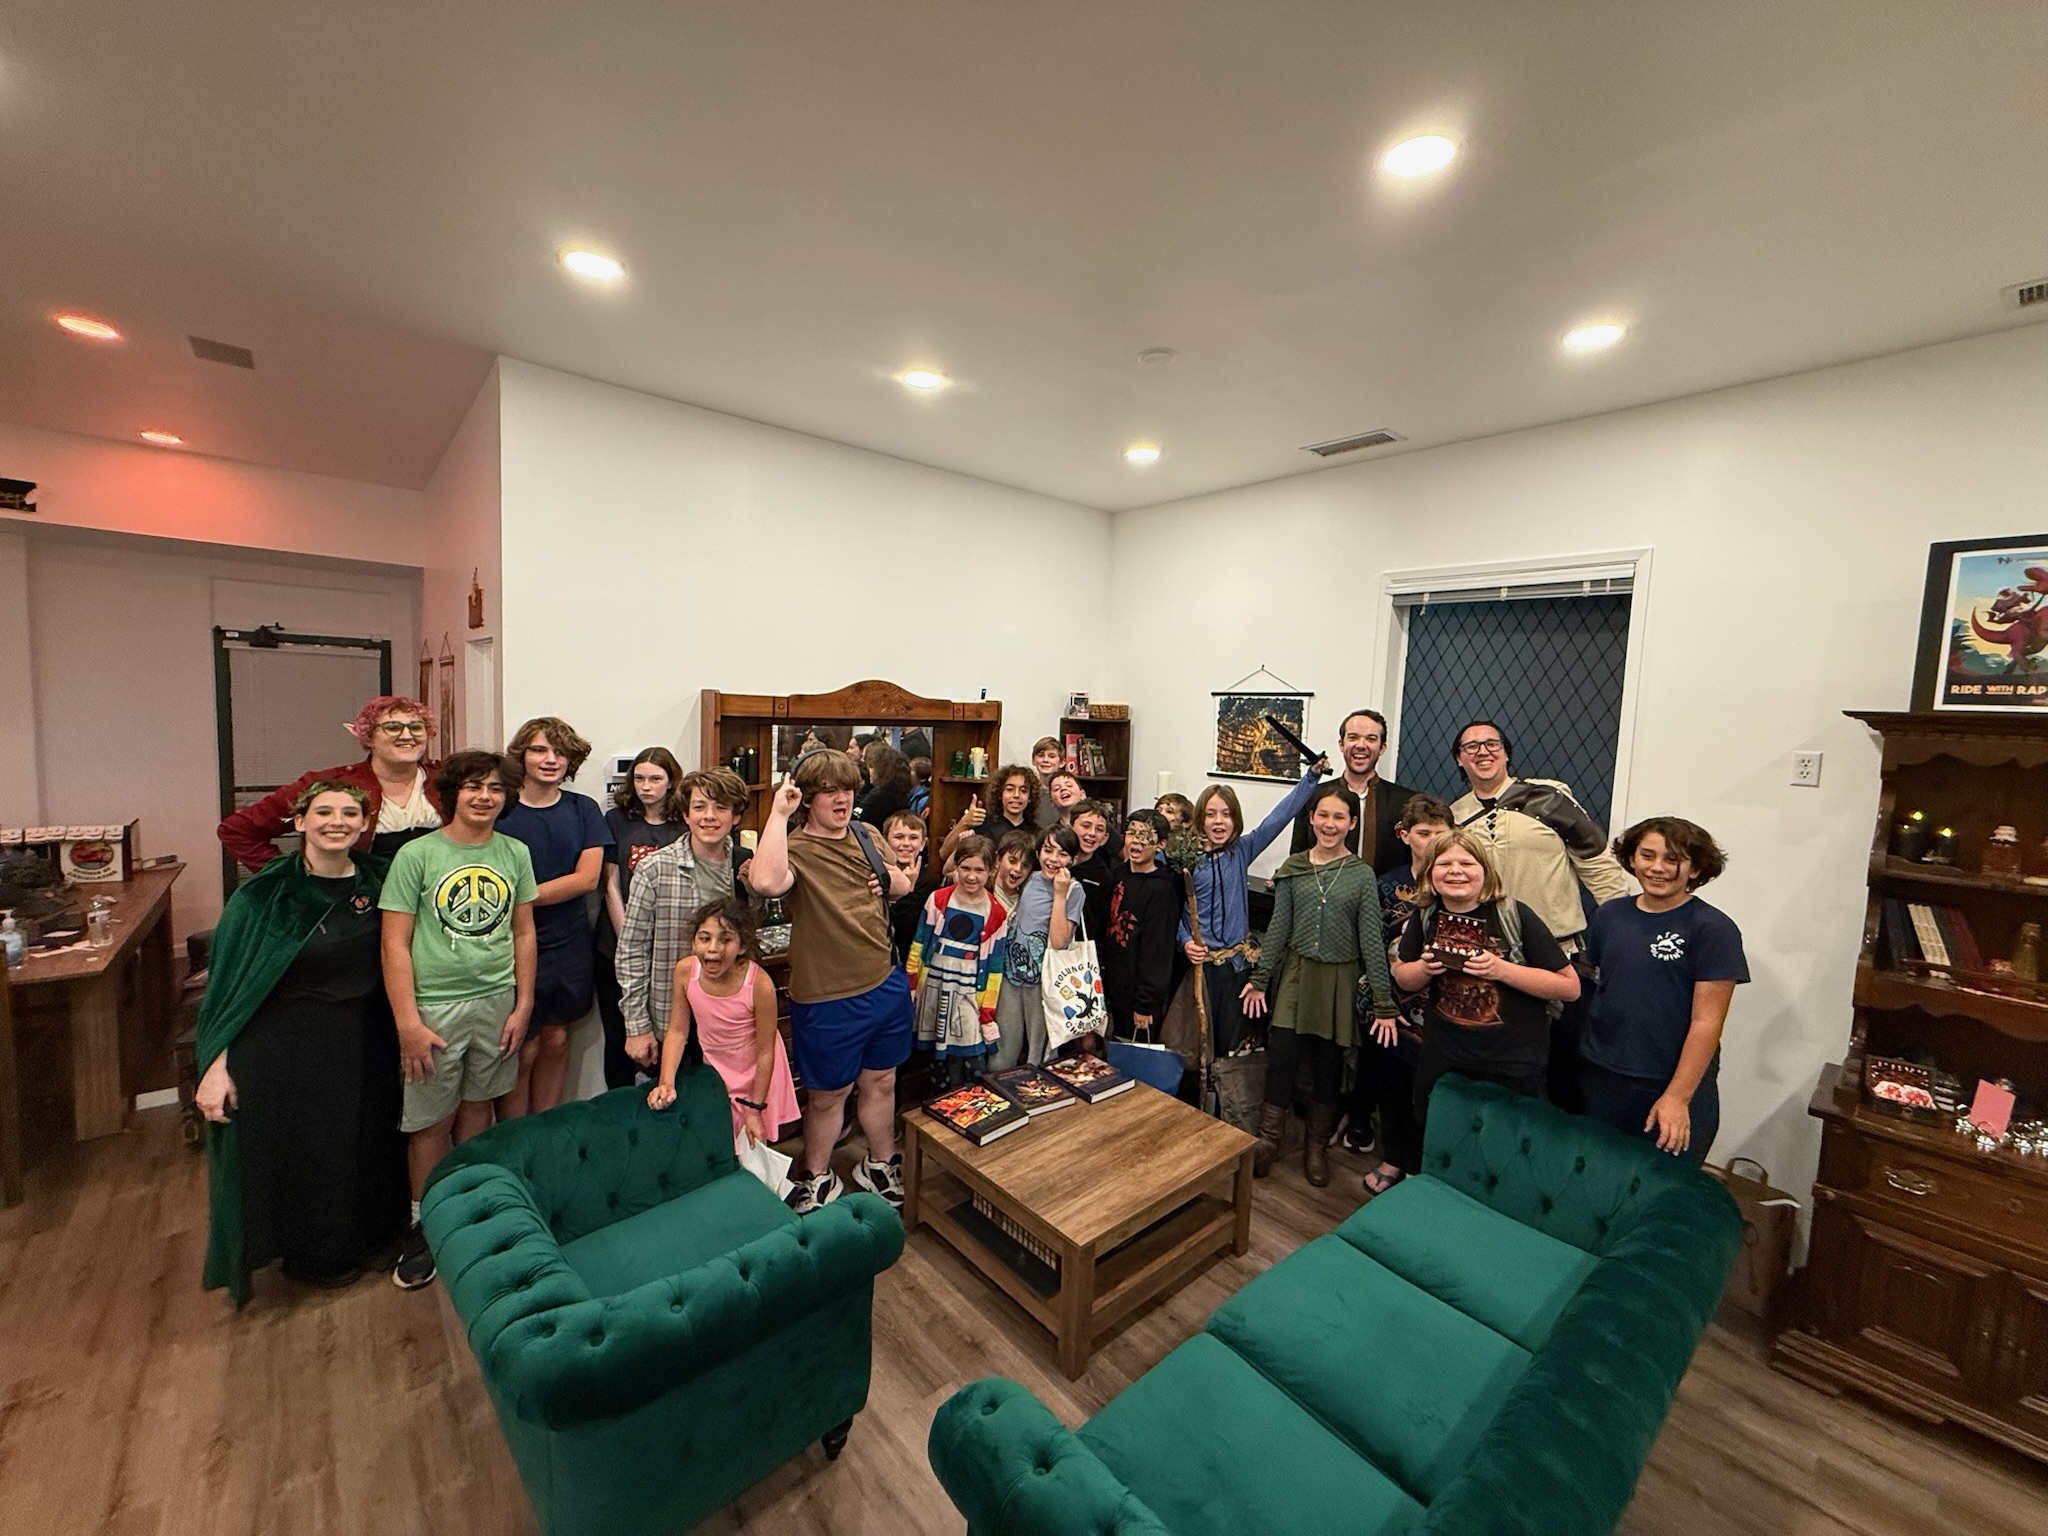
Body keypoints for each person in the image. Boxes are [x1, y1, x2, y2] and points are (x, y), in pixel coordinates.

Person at [196, 782, 409, 1306]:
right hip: (287, 1049)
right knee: (311, 1149)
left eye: (350, 813)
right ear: (299, 823)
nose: (337, 821)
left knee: (368, 1139)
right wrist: (216, 1066)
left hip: (368, 1039)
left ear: (365, 825)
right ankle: (313, 1252)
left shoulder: (384, 882)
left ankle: (370, 1238)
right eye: (324, 812)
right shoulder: (265, 897)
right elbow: (229, 989)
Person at [380, 750, 538, 1291]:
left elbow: (523, 932)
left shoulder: (515, 852)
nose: (484, 796)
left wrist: (523, 1003)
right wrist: (408, 1022)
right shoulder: (418, 855)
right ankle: (426, 1224)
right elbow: (394, 944)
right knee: (430, 1122)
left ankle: (468, 1208)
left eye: (494, 788)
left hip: (497, 1001)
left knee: (479, 1107)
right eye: (473, 786)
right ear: (452, 794)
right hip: (433, 1007)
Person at [746, 750, 916, 1214]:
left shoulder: (866, 834)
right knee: (828, 1095)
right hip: (827, 997)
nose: (841, 799)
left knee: (881, 1081)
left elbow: (902, 884)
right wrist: (778, 814)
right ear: (807, 798)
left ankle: (879, 1163)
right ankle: (816, 1174)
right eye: (828, 791)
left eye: (847, 789)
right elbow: (766, 882)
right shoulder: (795, 846)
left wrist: (890, 880)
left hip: (884, 982)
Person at [1448, 719, 1631, 1112]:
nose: (1482, 751)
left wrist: (1624, 929)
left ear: (1506, 752)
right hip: (1488, 958)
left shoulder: (1549, 798)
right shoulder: (1454, 816)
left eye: (1491, 743)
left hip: (1555, 955)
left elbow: (1597, 865)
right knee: (1501, 1068)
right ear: (1460, 760)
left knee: (1561, 1068)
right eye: (1471, 746)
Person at [1245, 785, 1396, 1186]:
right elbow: (1278, 928)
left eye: (1338, 817)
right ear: (1311, 819)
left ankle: (1315, 1147)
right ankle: (1268, 1141)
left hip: (1338, 981)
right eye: (1322, 815)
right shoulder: (1294, 867)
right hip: (1296, 976)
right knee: (1281, 1059)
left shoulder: (1361, 875)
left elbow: (1371, 940)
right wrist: (1260, 978)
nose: (1330, 824)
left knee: (1328, 1066)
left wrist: (1384, 1002)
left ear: (1352, 823)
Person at [1580, 817, 1748, 1166]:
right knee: (1600, 1174)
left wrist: (1677, 1098)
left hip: (1668, 1082)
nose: (1658, 868)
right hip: (1603, 1074)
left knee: (1663, 1184)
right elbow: (1596, 983)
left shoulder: (1713, 929)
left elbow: (1707, 1022)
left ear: (1695, 867)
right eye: (1648, 855)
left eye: (1673, 859)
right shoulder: (1610, 915)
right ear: (1632, 858)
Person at [1390, 827, 1578, 1138]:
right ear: (1430, 873)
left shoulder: (1514, 914)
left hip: (1511, 1063)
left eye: (1467, 863)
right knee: (1441, 1139)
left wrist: (1501, 970)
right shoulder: (1425, 915)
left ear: (1485, 870)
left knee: (1504, 1145)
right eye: (1444, 864)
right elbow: (1403, 978)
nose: (1456, 871)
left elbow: (1569, 988)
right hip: (1444, 1059)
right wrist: (1424, 968)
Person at [1167, 763, 1326, 1061]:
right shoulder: (1186, 860)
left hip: (1236, 966)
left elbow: (1278, 818)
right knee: (1198, 1044)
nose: (1219, 821)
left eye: (1226, 814)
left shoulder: (1242, 851)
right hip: (1201, 968)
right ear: (1200, 819)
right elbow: (1173, 910)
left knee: (1231, 1043)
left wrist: (1311, 779)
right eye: (1211, 814)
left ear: (1235, 820)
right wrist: (1185, 940)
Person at [495, 717, 611, 1116]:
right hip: (509, 942)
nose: (550, 759)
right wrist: (515, 908)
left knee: (557, 1039)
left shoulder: (583, 809)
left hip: (569, 940)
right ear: (521, 756)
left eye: (560, 752)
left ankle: (547, 1128)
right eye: (540, 750)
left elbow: (587, 878)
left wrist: (520, 899)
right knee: (521, 1047)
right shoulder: (500, 809)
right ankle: (516, 1135)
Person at [616, 768, 755, 1073]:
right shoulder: (655, 868)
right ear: (686, 814)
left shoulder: (743, 865)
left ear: (735, 817)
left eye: (721, 807)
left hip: (728, 1018)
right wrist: (637, 1026)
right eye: (699, 807)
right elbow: (631, 951)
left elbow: (749, 939)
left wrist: (755, 889)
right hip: (671, 1017)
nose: (709, 816)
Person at [218, 694, 446, 871]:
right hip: (360, 908)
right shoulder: (329, 784)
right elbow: (237, 830)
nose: (407, 736)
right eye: (393, 727)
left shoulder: (448, 780)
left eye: (416, 727)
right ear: (369, 736)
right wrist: (286, 878)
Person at [1359, 794, 1456, 1191]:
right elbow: (1370, 946)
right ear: (1404, 835)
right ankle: (1395, 1156)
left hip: (1444, 1008)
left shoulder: (1457, 880)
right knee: (1393, 1084)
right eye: (1424, 833)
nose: (1432, 841)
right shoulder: (1386, 885)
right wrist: (1382, 1001)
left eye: (1441, 833)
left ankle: (1427, 1166)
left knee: (1436, 1092)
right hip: (1394, 1005)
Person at [646, 898, 799, 1145]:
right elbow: (677, 1031)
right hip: (718, 1068)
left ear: (742, 945)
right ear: (693, 941)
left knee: (754, 1143)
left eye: (725, 940)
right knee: (721, 1139)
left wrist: (755, 1108)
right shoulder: (685, 972)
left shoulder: (759, 984)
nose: (713, 949)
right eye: (704, 938)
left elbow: (765, 1051)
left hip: (757, 1071)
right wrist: (666, 1082)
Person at [594, 748, 687, 1089]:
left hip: (667, 948)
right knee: (620, 1038)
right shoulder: (616, 820)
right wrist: (629, 940)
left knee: (668, 1037)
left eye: (655, 779)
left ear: (671, 781)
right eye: (639, 778)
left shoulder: (684, 823)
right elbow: (610, 884)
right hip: (615, 944)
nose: (646, 787)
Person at [906, 834, 1010, 1086]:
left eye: (979, 870)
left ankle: (972, 1100)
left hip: (969, 990)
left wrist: (987, 1008)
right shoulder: (937, 900)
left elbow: (995, 968)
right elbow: (919, 945)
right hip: (935, 984)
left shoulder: (996, 913)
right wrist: (911, 986)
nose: (971, 876)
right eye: (965, 868)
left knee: (972, 1057)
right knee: (938, 1057)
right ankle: (940, 1099)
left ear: (991, 870)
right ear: (956, 867)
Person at [991, 823, 1085, 1069]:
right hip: (1011, 976)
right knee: (1004, 1047)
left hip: (1044, 984)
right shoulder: (1030, 878)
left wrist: (1060, 894)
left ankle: (1038, 1089)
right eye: (1048, 850)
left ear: (1073, 860)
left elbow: (1059, 941)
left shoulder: (1074, 890)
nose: (1053, 859)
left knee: (1040, 1052)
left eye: (1062, 854)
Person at [1288, 709, 1417, 876]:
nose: (1361, 745)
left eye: (1371, 739)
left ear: (1382, 748)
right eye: (1353, 737)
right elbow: (1298, 856)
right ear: (1341, 745)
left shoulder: (1407, 802)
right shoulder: (1313, 796)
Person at [1103, 809, 1180, 1042]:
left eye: (1145, 835)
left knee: (1135, 1053)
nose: (1136, 841)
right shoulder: (1119, 873)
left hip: (1140, 997)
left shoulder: (1162, 889)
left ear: (1160, 845)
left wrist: (1146, 1003)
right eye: (1131, 833)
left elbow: (1158, 952)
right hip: (1115, 988)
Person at [937, 764, 1039, 864]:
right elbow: (943, 853)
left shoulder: (1036, 833)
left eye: (1023, 791)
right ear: (1000, 793)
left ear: (1030, 797)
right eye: (1009, 789)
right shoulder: (983, 825)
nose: (1016, 795)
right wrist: (964, 823)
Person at [883, 809, 941, 965]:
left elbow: (907, 924)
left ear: (922, 844)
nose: (906, 843)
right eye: (898, 837)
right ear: (885, 841)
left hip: (909, 957)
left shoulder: (929, 880)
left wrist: (909, 888)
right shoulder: (878, 874)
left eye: (913, 838)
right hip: (880, 952)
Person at [1069, 799, 1117, 943]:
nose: (1092, 833)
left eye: (1099, 829)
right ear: (1070, 827)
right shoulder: (1055, 863)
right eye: (1085, 826)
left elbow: (1102, 924)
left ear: (1105, 838)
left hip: (1083, 947)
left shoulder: (1104, 876)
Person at [856, 740, 914, 826]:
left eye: (871, 767)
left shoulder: (879, 796)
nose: (869, 772)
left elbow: (858, 815)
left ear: (881, 770)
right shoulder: (901, 792)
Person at [1031, 737, 1066, 825]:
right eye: (1041, 755)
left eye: (1051, 756)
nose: (1045, 760)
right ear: (1033, 760)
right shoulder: (1029, 791)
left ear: (1062, 762)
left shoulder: (1066, 792)